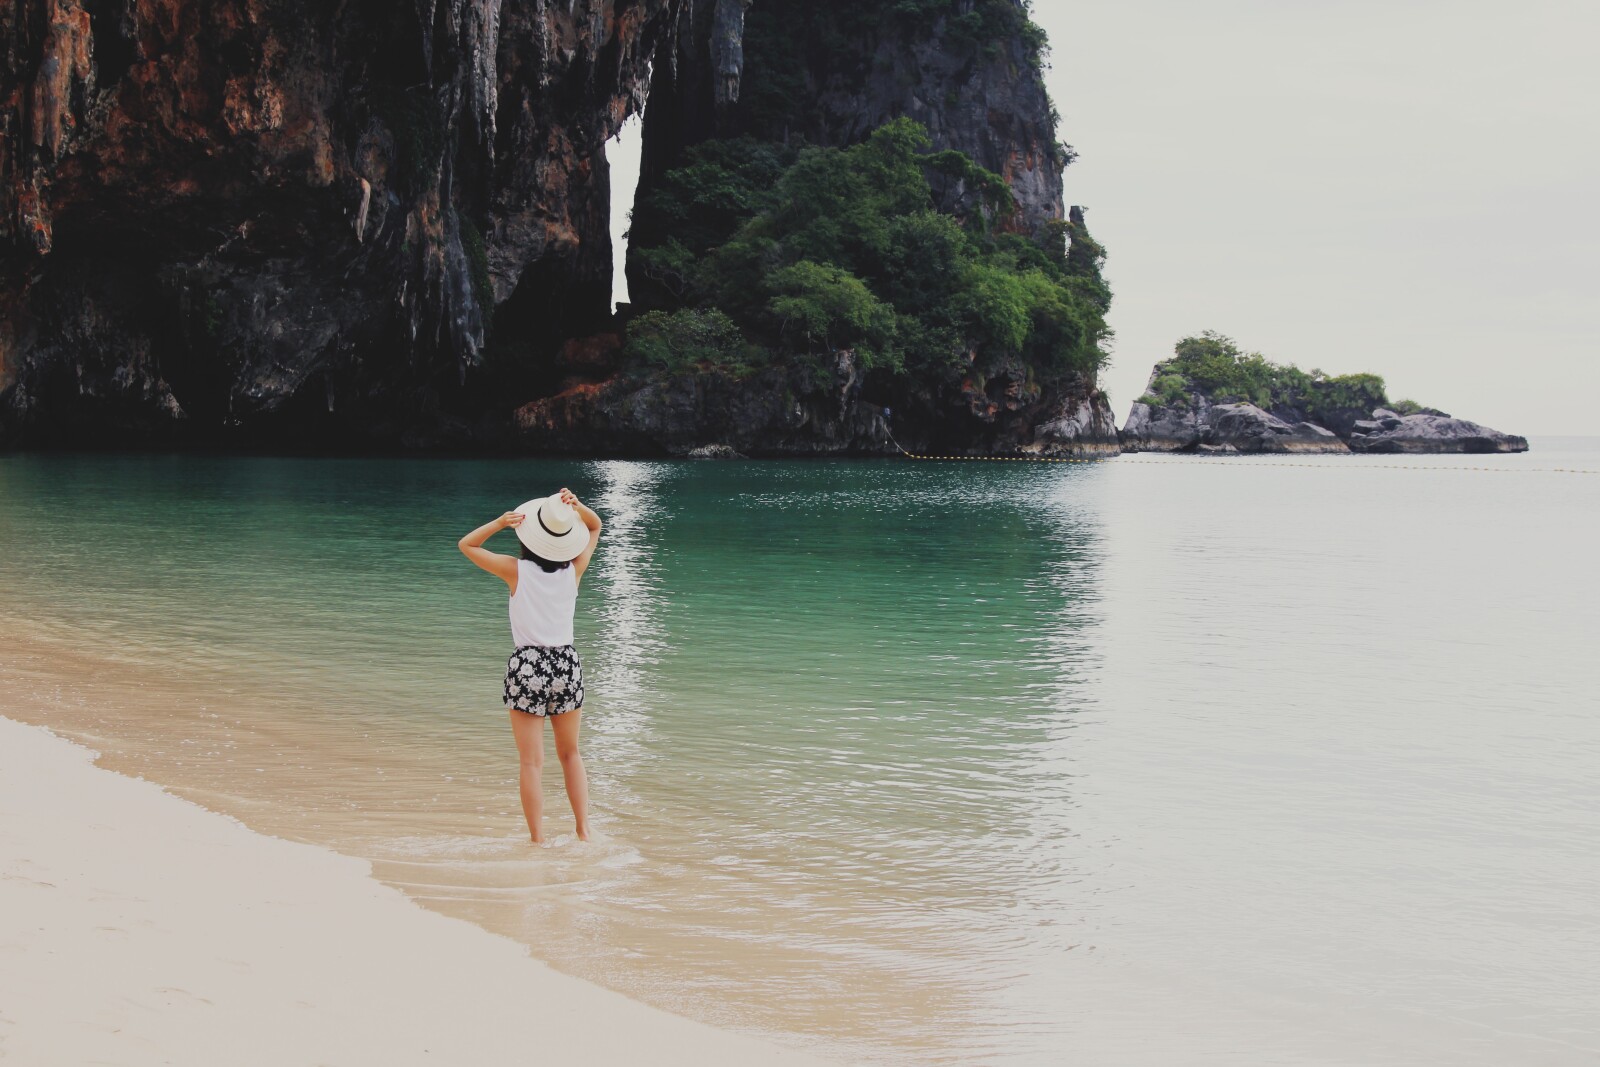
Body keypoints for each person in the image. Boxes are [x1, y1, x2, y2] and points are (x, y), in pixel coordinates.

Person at [458, 488, 603, 844]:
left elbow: (467, 546)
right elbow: (596, 528)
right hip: (566, 663)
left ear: (528, 536)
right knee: (571, 754)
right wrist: (577, 507)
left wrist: (499, 522)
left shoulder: (514, 570)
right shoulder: (573, 571)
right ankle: (583, 832)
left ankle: (538, 840)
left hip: (528, 664)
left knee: (531, 763)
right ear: (566, 542)